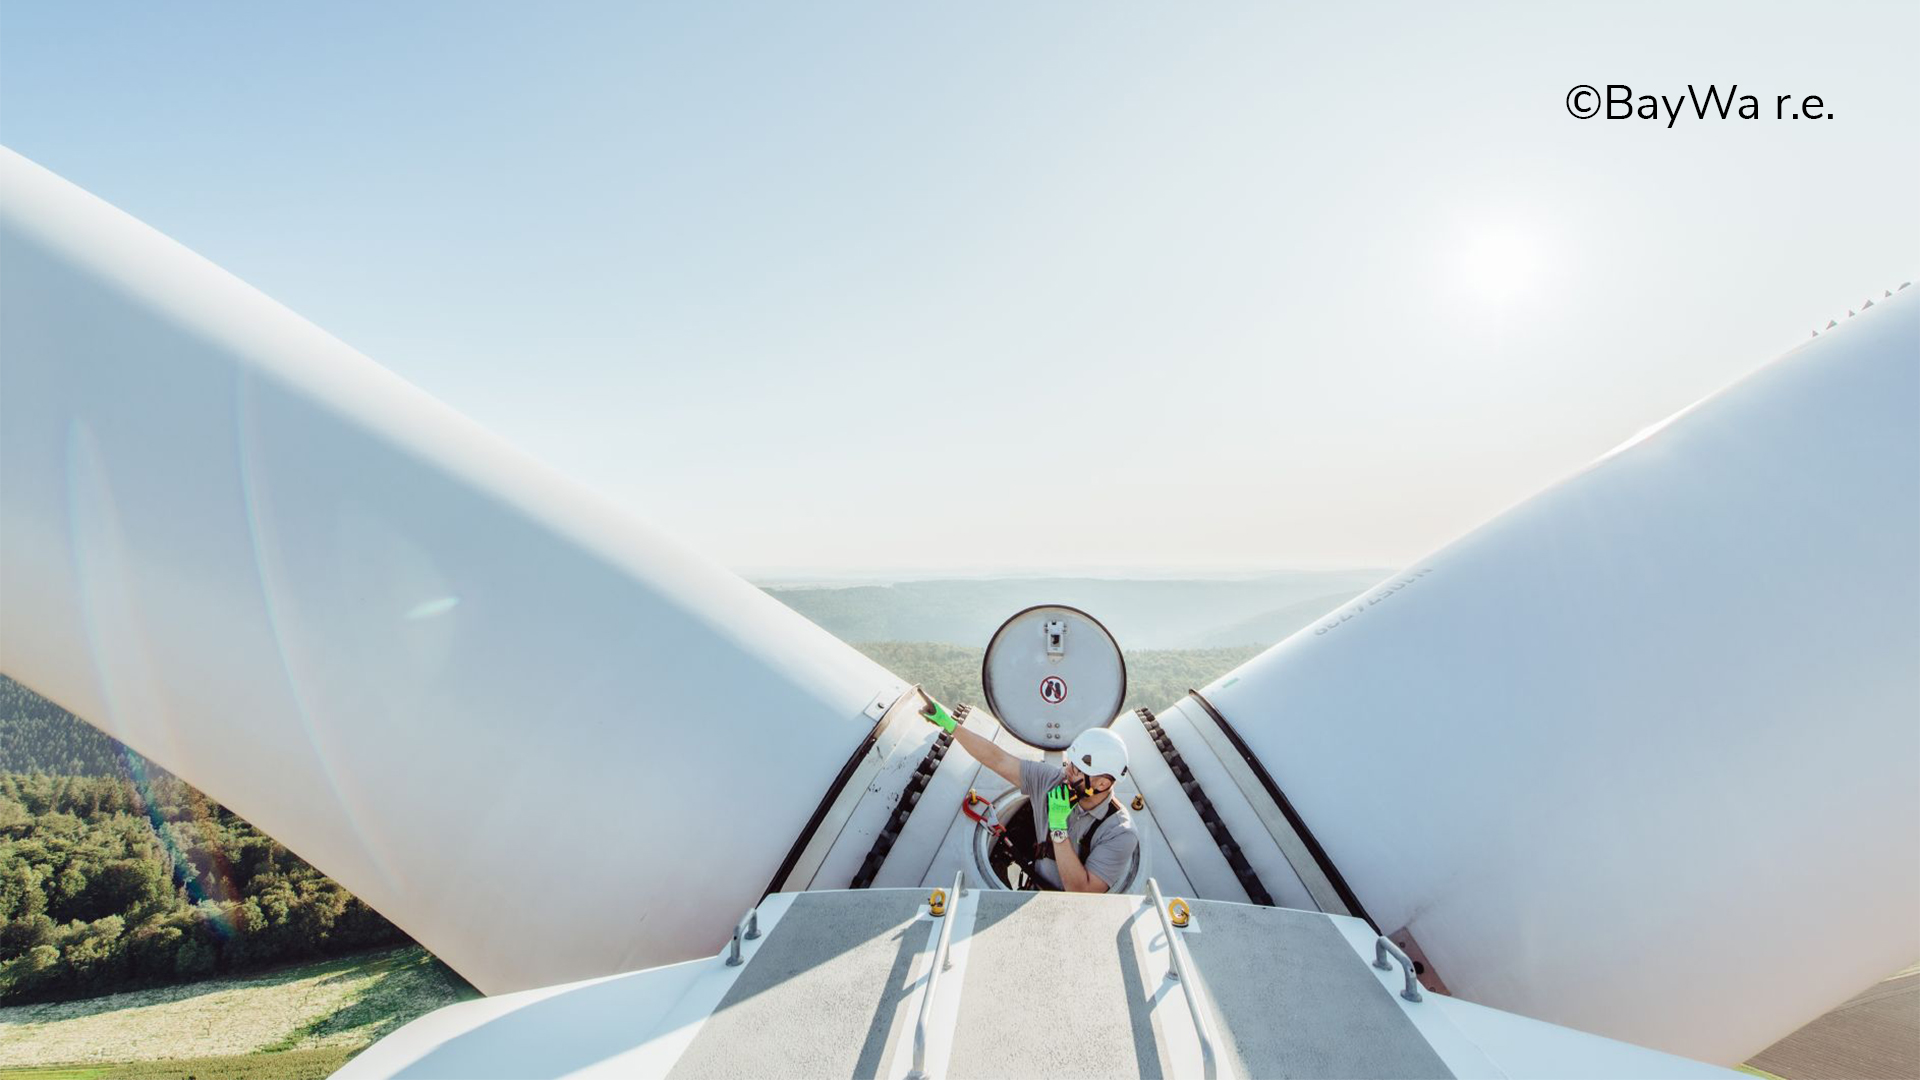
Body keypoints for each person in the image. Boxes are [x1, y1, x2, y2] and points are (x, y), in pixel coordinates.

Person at [921, 695, 1137, 893]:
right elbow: (998, 759)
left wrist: (1058, 828)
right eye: (1070, 764)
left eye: (1078, 771)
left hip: (1075, 912)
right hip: (1035, 893)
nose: (1068, 773)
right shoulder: (1051, 781)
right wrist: (951, 725)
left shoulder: (1119, 832)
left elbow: (1082, 892)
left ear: (1102, 783)